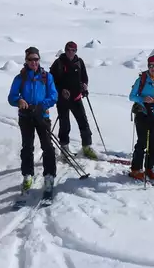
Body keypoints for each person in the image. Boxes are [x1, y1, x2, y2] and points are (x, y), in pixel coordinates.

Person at [7, 46, 58, 193]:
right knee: (27, 147)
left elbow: (53, 96)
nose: (33, 62)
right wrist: (19, 101)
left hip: (42, 115)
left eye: (36, 59)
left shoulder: (46, 76)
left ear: (39, 60)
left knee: (47, 146)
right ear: (26, 60)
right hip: (26, 117)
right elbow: (11, 96)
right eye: (30, 59)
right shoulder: (20, 78)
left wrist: (42, 106)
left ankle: (49, 176)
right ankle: (27, 175)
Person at [49, 41, 97, 160]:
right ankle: (64, 149)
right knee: (65, 125)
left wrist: (84, 85)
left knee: (83, 123)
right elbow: (51, 82)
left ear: (76, 51)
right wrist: (61, 90)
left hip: (76, 98)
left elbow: (84, 77)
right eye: (68, 50)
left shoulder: (79, 62)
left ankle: (86, 147)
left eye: (73, 50)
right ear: (65, 50)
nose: (70, 52)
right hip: (62, 100)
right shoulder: (58, 63)